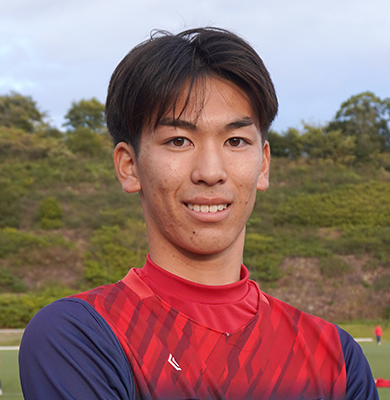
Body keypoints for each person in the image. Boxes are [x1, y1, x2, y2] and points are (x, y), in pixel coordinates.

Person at [19, 27, 379, 399]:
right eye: (179, 140)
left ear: (263, 165)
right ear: (129, 166)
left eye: (235, 141)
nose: (210, 171)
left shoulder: (336, 356)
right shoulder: (80, 335)